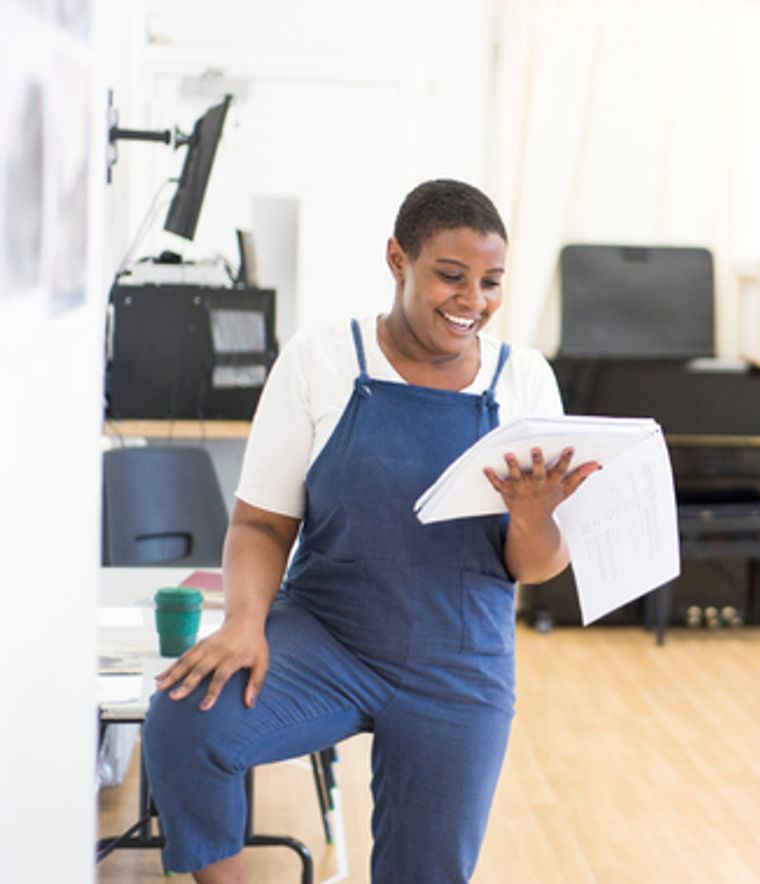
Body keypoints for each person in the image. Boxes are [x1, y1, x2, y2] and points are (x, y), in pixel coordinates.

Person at [142, 179, 598, 883]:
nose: (471, 300)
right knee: (188, 720)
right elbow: (263, 522)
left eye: (491, 282)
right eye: (450, 275)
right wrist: (243, 622)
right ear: (397, 259)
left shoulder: (524, 381)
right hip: (326, 636)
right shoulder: (322, 359)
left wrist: (534, 516)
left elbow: (534, 567)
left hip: (460, 659)